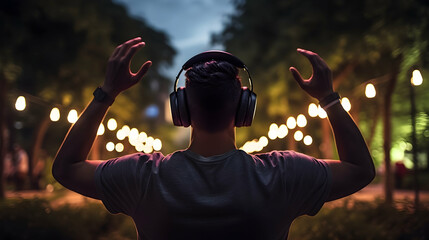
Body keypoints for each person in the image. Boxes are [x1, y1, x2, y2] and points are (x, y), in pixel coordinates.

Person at [53, 37, 375, 240]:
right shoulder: (283, 175)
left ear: (181, 110)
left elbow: (66, 168)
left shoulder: (143, 177)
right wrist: (329, 99)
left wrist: (106, 93)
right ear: (243, 109)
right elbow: (360, 169)